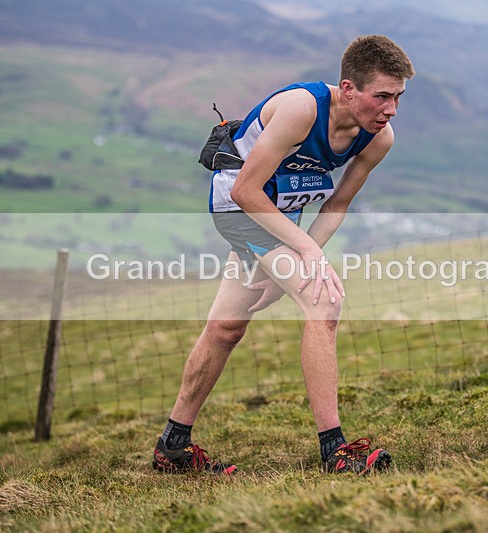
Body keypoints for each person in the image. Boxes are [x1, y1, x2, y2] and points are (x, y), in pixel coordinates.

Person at [153, 35, 414, 475]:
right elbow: (244, 190)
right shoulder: (302, 109)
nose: (390, 110)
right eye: (382, 97)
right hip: (238, 208)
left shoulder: (378, 138)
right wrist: (307, 253)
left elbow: (336, 206)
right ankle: (336, 452)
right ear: (348, 89)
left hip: (274, 221)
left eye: (398, 98)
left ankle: (172, 446)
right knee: (324, 300)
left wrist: (300, 255)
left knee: (226, 328)